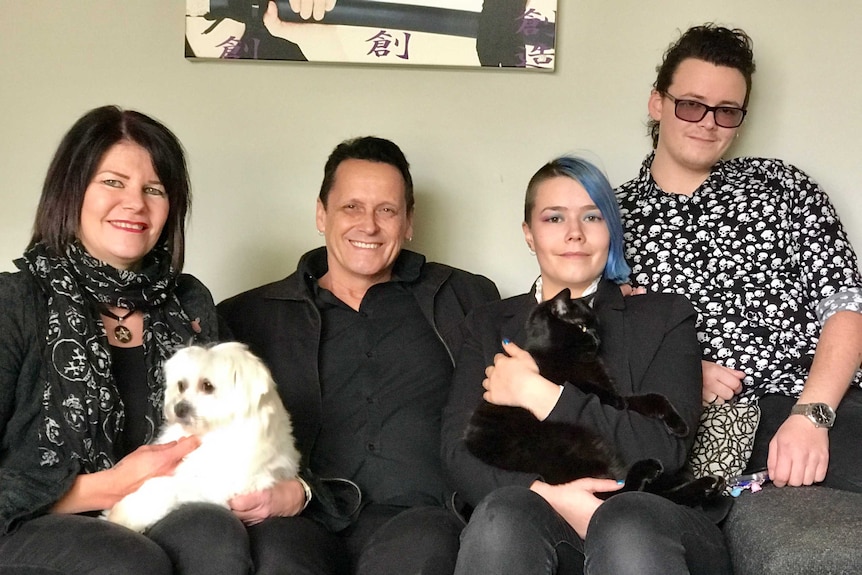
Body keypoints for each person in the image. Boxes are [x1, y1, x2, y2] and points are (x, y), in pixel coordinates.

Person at [218, 136, 499, 575]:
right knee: (274, 558)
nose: (368, 225)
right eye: (351, 207)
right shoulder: (250, 316)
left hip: (423, 516)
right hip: (298, 512)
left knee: (416, 557)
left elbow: (531, 348)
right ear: (321, 214)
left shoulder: (464, 298)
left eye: (386, 210)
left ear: (408, 222)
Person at [442, 155, 731, 575]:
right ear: (528, 233)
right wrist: (548, 495)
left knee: (626, 522)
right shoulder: (487, 324)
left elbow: (661, 448)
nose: (574, 234)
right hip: (530, 521)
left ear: (611, 230)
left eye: (592, 217)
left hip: (651, 520)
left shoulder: (665, 316)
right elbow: (456, 451)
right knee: (503, 513)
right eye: (554, 218)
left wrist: (540, 395)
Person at [0, 106, 249, 574]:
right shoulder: (14, 301)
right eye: (113, 182)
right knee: (128, 560)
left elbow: (237, 425)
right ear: (71, 191)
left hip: (154, 507)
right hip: (30, 525)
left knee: (215, 535)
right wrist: (108, 486)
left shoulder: (189, 303)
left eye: (153, 189)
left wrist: (294, 488)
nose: (135, 203)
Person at [616, 24, 862, 492]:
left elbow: (848, 305)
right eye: (691, 104)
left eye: (726, 111)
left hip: (809, 407)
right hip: (688, 432)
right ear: (657, 103)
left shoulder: (785, 187)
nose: (708, 122)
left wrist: (812, 415)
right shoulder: (604, 219)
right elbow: (588, 341)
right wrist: (679, 374)